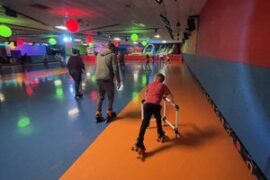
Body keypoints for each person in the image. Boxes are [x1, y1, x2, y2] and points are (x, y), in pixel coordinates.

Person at [133, 73, 174, 154]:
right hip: (155, 105)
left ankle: (139, 140)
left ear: (155, 79)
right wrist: (172, 102)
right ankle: (160, 134)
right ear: (162, 80)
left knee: (145, 122)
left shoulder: (150, 84)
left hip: (147, 105)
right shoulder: (163, 86)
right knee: (158, 117)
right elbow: (170, 95)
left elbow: (146, 94)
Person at [95, 42, 121, 123]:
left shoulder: (98, 55)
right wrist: (118, 80)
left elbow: (96, 66)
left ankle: (98, 114)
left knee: (100, 97)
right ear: (112, 48)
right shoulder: (112, 55)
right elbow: (115, 69)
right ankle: (109, 114)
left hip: (98, 78)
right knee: (110, 97)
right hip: (107, 79)